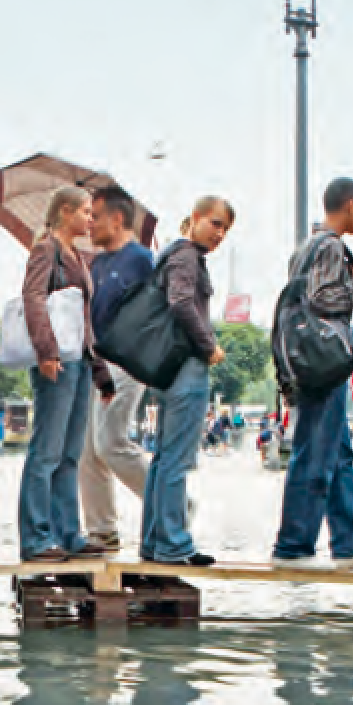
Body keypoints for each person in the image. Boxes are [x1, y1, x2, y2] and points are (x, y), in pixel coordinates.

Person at [271, 177, 353, 569]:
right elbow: (322, 299)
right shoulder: (331, 247)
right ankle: (293, 546)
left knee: (339, 452)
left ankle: (351, 542)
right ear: (350, 204)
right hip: (323, 360)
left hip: (306, 360)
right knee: (314, 452)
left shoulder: (306, 248)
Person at [139, 196, 233, 568]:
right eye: (215, 223)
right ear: (194, 218)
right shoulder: (186, 256)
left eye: (225, 228)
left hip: (168, 367)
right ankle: (174, 543)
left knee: (164, 459)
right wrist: (209, 346)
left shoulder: (170, 254)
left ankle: (156, 541)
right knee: (176, 460)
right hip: (186, 366)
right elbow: (180, 302)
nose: (220, 233)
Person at [18, 186, 105, 563]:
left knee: (70, 453)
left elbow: (84, 318)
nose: (91, 219)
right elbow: (33, 297)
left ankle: (68, 532)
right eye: (86, 212)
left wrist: (98, 369)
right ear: (66, 212)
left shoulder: (76, 256)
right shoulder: (46, 249)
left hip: (79, 360)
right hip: (57, 359)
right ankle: (36, 536)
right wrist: (46, 350)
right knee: (47, 451)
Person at [79, 186, 154, 552]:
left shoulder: (141, 260)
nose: (89, 223)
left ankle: (171, 504)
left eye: (95, 215)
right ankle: (101, 529)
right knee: (87, 450)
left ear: (117, 218)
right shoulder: (96, 262)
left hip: (127, 360)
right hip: (96, 362)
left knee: (110, 443)